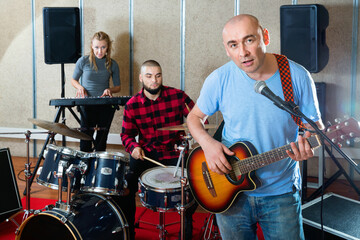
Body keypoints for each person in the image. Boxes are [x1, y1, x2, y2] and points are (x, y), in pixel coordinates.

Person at [186, 14, 324, 240]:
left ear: (265, 36)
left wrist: (307, 144)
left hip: (281, 193)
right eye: (233, 45)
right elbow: (194, 118)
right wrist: (208, 144)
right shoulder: (219, 79)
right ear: (226, 49)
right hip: (230, 192)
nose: (243, 52)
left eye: (249, 40)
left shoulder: (297, 76)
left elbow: (314, 128)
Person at [116, 60, 197, 240]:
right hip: (146, 154)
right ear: (141, 78)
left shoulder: (177, 96)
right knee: (124, 187)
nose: (154, 80)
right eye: (149, 76)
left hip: (174, 154)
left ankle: (186, 233)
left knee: (192, 186)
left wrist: (191, 133)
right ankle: (129, 232)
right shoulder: (132, 104)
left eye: (158, 76)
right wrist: (134, 147)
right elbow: (126, 135)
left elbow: (199, 118)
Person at [71, 31, 121, 152]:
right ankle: (85, 168)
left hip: (105, 105)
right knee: (85, 140)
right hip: (87, 104)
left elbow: (118, 87)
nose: (100, 51)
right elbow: (73, 80)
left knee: (101, 142)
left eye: (103, 47)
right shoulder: (83, 61)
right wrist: (80, 87)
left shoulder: (112, 64)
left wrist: (109, 90)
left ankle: (97, 168)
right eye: (97, 47)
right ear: (92, 47)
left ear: (108, 47)